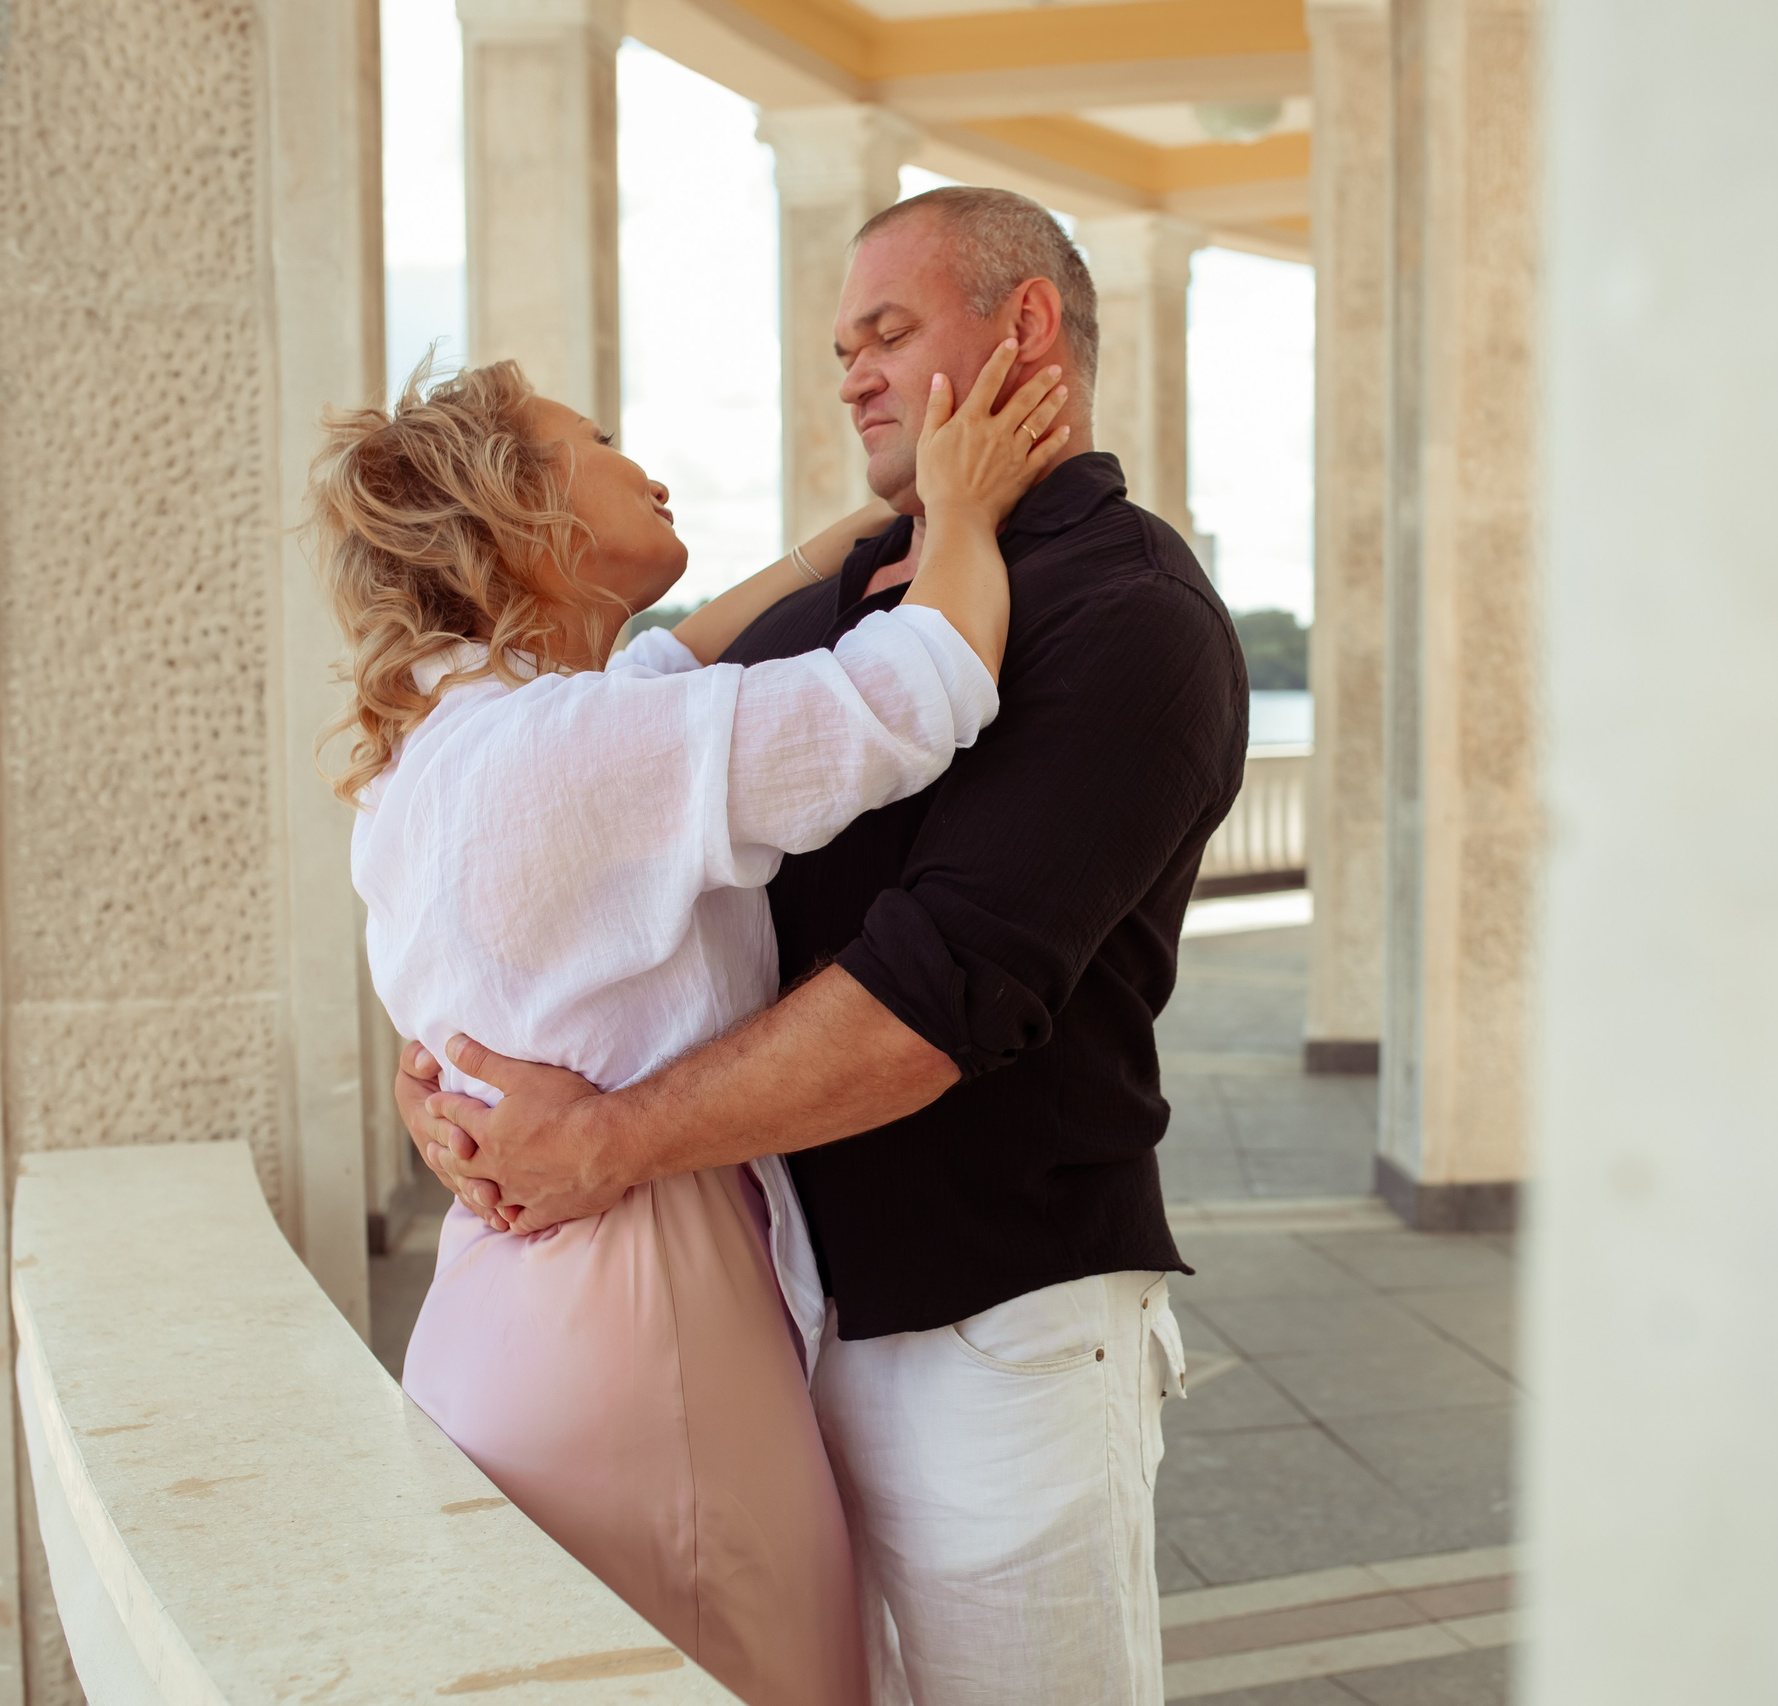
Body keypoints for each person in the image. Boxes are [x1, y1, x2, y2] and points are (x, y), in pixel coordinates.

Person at [399, 186, 1250, 1706]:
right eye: (836, 347)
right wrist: (449, 1070)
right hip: (790, 1325)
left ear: (1026, 328)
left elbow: (926, 1003)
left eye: (886, 332)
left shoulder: (1132, 619)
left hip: (1003, 1336)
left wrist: (598, 1141)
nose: (846, 370)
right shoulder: (844, 602)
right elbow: (599, 846)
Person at [316, 339, 1071, 1706]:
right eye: (598, 440)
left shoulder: (446, 741)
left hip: (507, 1308)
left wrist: (874, 516)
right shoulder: (567, 754)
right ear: (526, 518)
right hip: (649, 1311)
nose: (646, 463)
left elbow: (674, 667)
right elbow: (917, 692)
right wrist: (959, 516)